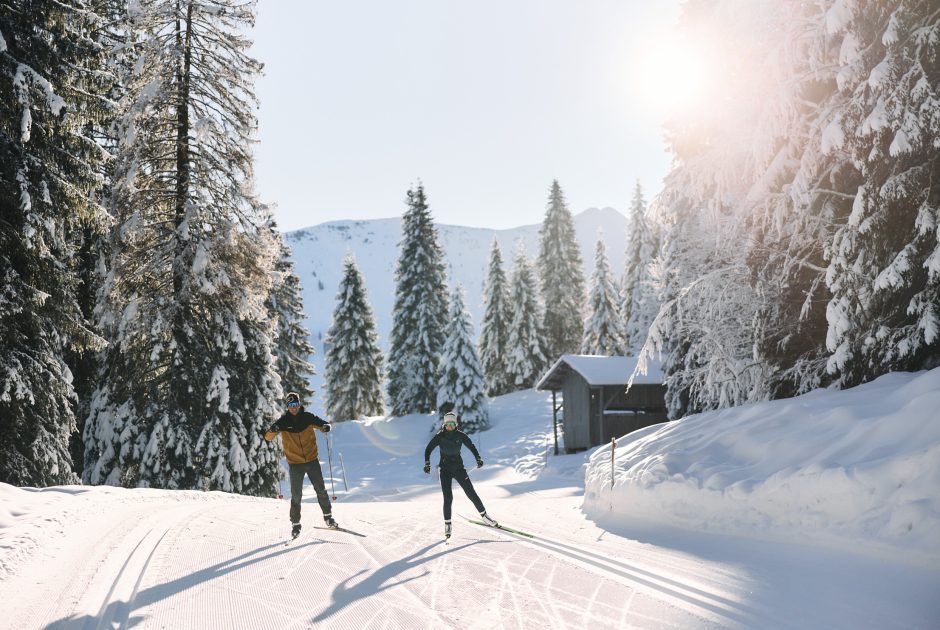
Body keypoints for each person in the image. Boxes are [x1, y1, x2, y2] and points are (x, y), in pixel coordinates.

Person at [265, 392, 337, 537]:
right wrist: (273, 430)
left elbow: (324, 424)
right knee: (296, 495)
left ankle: (328, 518)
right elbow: (268, 437)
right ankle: (296, 524)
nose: (294, 408)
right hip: (295, 464)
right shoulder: (283, 422)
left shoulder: (308, 417)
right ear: (287, 406)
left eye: (296, 404)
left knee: (321, 490)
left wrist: (326, 427)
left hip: (312, 461)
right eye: (291, 405)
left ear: (299, 404)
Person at [423, 411, 497, 539]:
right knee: (448, 498)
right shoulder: (440, 437)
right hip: (445, 470)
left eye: (452, 424)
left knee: (471, 493)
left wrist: (478, 458)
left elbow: (471, 446)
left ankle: (485, 517)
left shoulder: (460, 435)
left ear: (455, 424)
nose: (450, 426)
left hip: (459, 469)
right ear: (444, 425)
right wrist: (427, 463)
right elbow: (428, 449)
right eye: (448, 424)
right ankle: (447, 524)